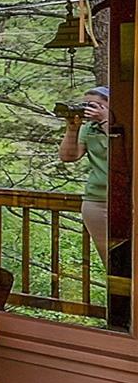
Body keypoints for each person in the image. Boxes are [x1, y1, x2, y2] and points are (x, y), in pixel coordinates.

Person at [59, 85, 111, 262]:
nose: (88, 109)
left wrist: (105, 121)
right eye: (85, 104)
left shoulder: (125, 125)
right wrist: (72, 129)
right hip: (96, 200)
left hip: (126, 199)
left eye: (94, 105)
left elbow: (125, 150)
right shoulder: (88, 128)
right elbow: (68, 156)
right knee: (110, 259)